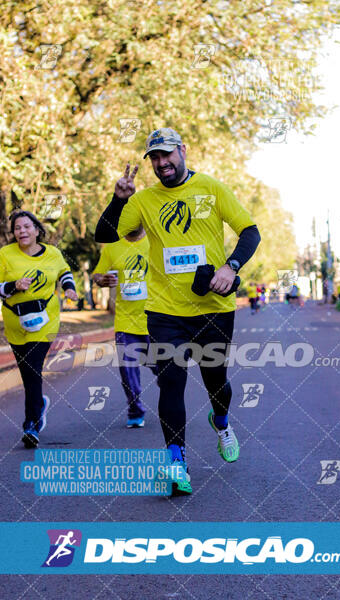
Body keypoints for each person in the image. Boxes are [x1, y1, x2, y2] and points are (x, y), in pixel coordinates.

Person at [95, 127, 261, 495]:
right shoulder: (144, 200)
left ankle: (221, 420)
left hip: (213, 307)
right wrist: (118, 199)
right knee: (171, 381)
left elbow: (250, 231)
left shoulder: (212, 188)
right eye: (154, 157)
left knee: (216, 381)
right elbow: (105, 235)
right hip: (165, 311)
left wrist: (230, 266)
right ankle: (176, 461)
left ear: (183, 150)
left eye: (166, 154)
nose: (161, 163)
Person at [0, 210, 78, 448]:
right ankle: (39, 405)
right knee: (27, 372)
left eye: (26, 227)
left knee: (33, 370)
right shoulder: (5, 254)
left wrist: (70, 289)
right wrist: (14, 285)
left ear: (37, 230)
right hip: (16, 323)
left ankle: (30, 424)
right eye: (17, 228)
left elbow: (64, 272)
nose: (21, 231)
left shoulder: (52, 253)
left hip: (45, 321)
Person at [93, 227, 158, 428]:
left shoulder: (157, 240)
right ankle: (135, 410)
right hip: (125, 320)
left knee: (164, 370)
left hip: (156, 318)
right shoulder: (112, 246)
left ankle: (169, 401)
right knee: (127, 370)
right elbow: (97, 274)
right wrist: (101, 280)